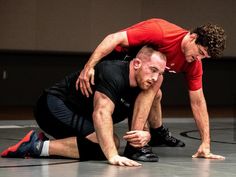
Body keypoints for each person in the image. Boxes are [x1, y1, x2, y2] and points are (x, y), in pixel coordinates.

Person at [76, 18, 226, 160]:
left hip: (140, 74)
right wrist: (88, 67)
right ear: (193, 37)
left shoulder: (194, 64)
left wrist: (206, 144)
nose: (199, 59)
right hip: (116, 62)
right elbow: (113, 38)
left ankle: (157, 132)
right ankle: (134, 146)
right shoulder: (161, 32)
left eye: (204, 57)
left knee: (156, 92)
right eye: (199, 52)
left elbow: (198, 102)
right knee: (156, 81)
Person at [1, 46, 167, 167]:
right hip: (52, 106)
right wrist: (112, 156)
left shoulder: (143, 86)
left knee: (106, 141)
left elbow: (140, 121)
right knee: (107, 145)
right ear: (136, 63)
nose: (155, 78)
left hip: (80, 113)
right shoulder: (113, 73)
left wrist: (146, 136)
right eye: (152, 70)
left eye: (159, 73)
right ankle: (35, 146)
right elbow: (101, 114)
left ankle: (40, 145)